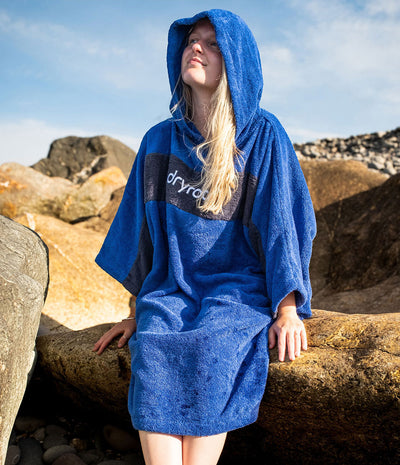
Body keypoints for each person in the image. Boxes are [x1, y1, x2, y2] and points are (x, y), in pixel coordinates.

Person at [93, 9, 316, 465]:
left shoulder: (262, 135)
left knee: (215, 345)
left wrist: (287, 309)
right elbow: (142, 235)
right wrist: (135, 312)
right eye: (192, 40)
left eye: (212, 43)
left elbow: (282, 224)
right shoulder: (158, 140)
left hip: (237, 291)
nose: (196, 47)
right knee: (153, 346)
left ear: (236, 62)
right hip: (171, 290)